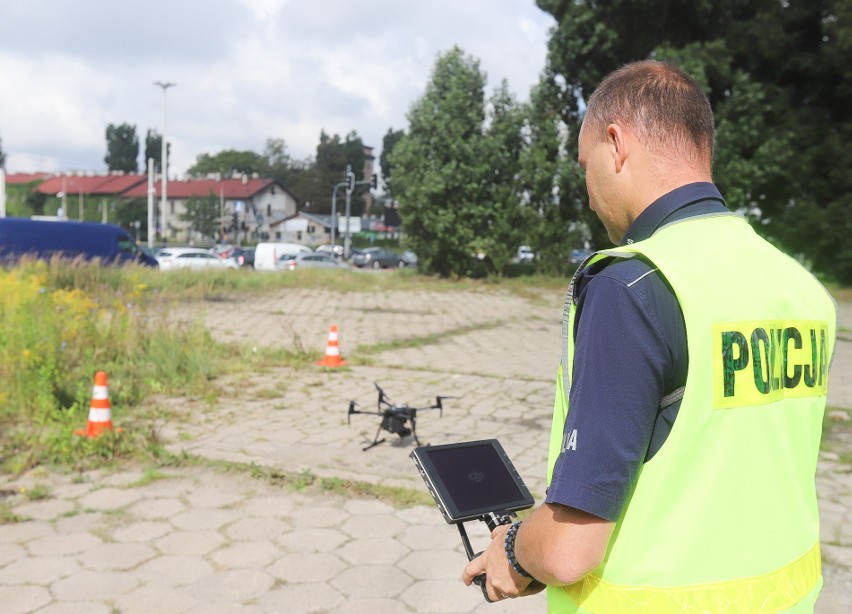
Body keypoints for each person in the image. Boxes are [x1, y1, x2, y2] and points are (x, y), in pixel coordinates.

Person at [463, 60, 837, 612]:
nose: (589, 197)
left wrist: (514, 549)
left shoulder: (633, 286)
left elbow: (569, 548)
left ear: (616, 145)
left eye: (585, 165)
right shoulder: (800, 287)